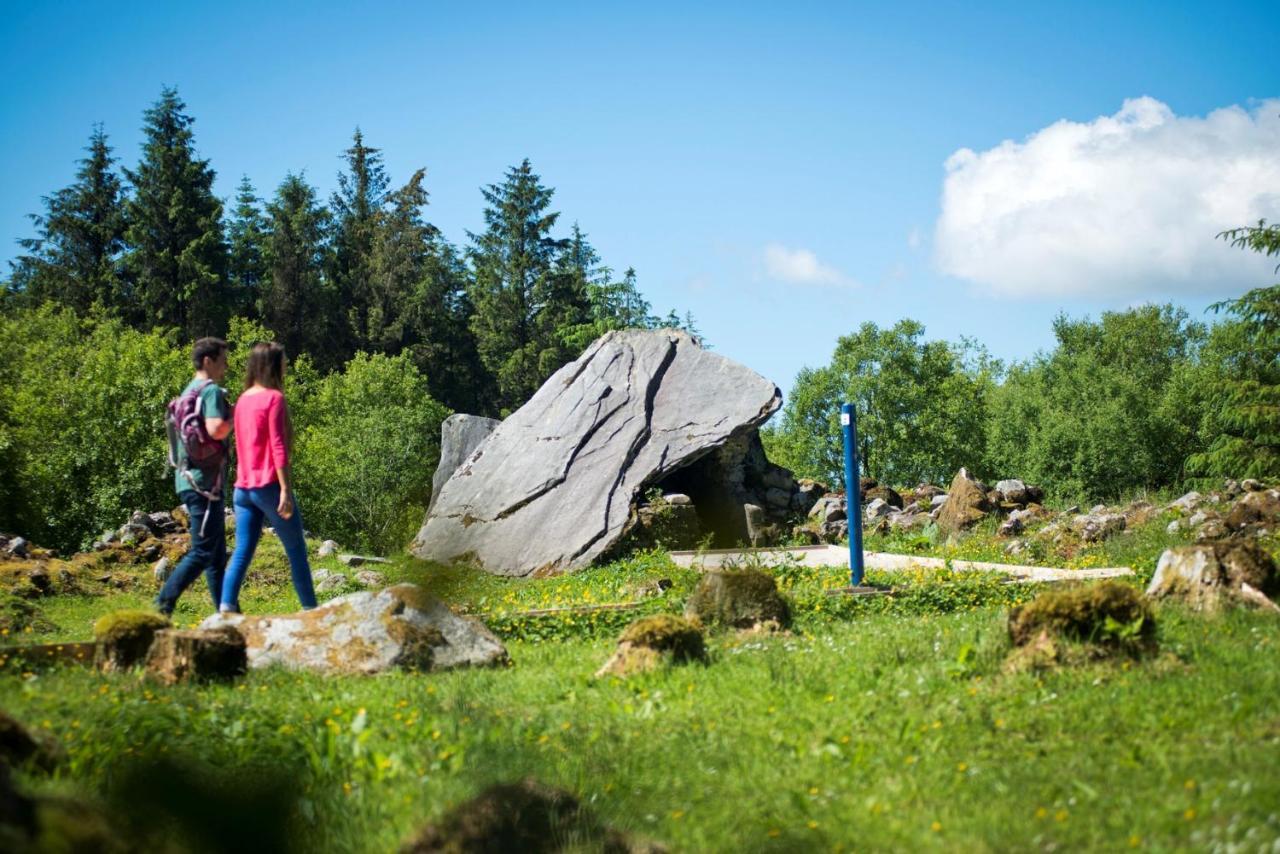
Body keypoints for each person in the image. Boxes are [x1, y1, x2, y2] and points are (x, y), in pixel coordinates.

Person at [219, 342, 317, 613]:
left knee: (242, 551)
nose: (286, 365)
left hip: (242, 489)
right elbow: (278, 446)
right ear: (273, 365)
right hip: (268, 487)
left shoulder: (242, 401)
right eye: (283, 361)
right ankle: (312, 611)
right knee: (296, 550)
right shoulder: (274, 398)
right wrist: (285, 489)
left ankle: (225, 607)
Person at [156, 337, 231, 616]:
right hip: (204, 484)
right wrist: (236, 418)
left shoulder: (188, 391)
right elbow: (214, 430)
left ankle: (228, 612)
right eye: (223, 360)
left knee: (215, 555)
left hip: (186, 478)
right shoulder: (209, 391)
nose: (226, 366)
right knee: (202, 552)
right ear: (208, 361)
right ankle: (164, 603)